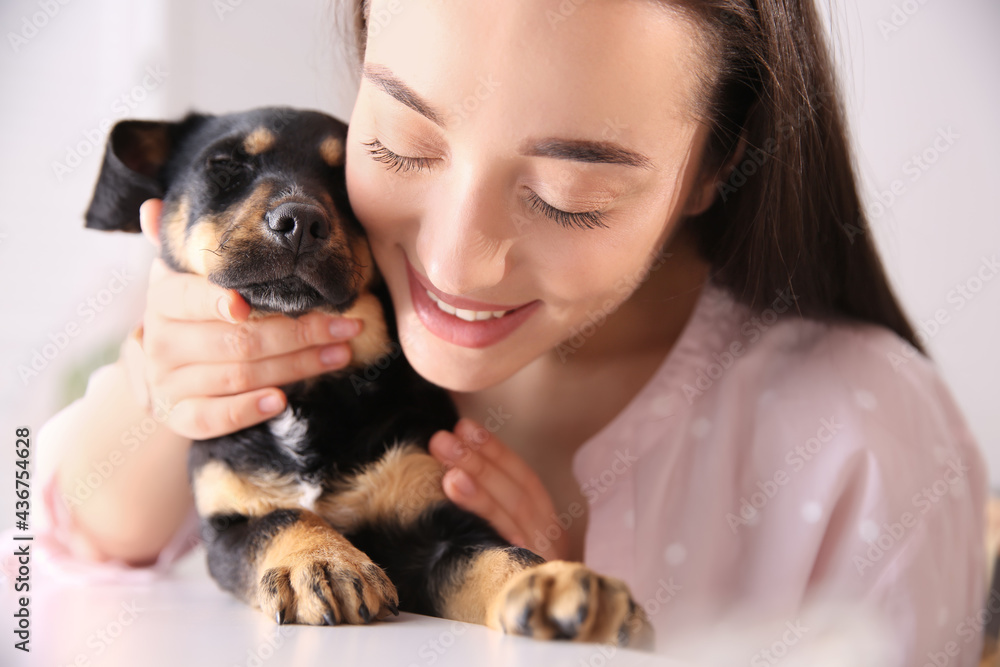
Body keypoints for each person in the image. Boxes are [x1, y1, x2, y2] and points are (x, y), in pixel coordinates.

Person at [28, 0, 987, 663]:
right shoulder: (313, 295)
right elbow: (46, 574)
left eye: (569, 196)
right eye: (402, 141)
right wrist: (164, 382)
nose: (454, 260)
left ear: (714, 164)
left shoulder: (861, 441)